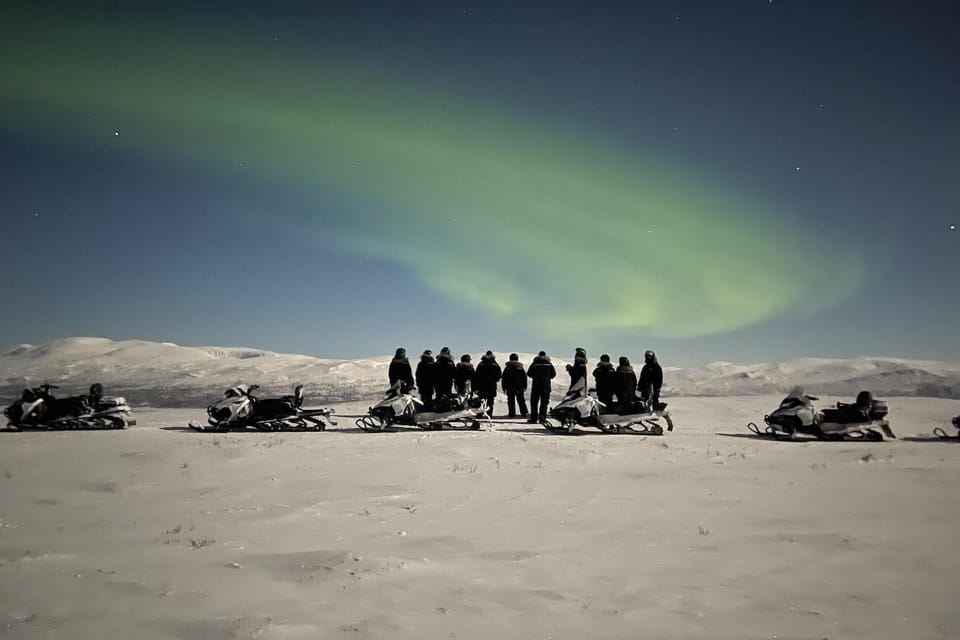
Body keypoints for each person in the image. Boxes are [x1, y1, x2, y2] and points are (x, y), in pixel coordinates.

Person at [527, 350, 557, 423]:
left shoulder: (534, 364)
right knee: (544, 403)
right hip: (546, 386)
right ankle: (542, 418)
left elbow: (529, 373)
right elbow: (553, 374)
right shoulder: (549, 364)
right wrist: (547, 377)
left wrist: (536, 376)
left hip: (536, 386)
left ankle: (534, 419)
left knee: (534, 403)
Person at [474, 351, 502, 417]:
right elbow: (499, 375)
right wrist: (494, 380)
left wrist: (477, 385)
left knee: (481, 400)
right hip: (491, 386)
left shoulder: (481, 364)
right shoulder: (495, 364)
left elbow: (477, 375)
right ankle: (489, 414)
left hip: (482, 386)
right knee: (490, 401)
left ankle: (479, 414)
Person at [501, 353, 528, 419]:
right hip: (520, 387)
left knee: (511, 401)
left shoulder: (507, 368)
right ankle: (524, 412)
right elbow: (524, 378)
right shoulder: (520, 368)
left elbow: (503, 378)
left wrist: (504, 387)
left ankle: (512, 414)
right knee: (521, 400)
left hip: (510, 387)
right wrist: (525, 386)